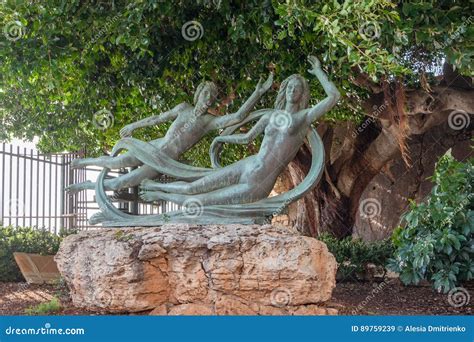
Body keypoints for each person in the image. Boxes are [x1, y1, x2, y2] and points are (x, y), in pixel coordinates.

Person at [139, 56, 340, 206]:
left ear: (303, 93)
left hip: (259, 182)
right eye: (289, 87)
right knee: (194, 186)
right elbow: (246, 137)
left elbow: (333, 96)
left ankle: (160, 195)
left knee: (199, 202)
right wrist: (218, 142)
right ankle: (156, 186)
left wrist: (319, 72)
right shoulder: (269, 116)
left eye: (297, 88)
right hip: (248, 165)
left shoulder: (303, 118)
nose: (291, 91)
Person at [67, 74, 273, 192]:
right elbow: (158, 118)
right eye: (206, 93)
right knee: (115, 163)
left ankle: (88, 185)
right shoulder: (182, 108)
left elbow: (237, 117)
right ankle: (85, 162)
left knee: (125, 182)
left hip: (166, 159)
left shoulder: (209, 122)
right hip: (154, 145)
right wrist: (134, 126)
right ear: (199, 94)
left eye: (212, 96)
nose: (208, 98)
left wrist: (257, 93)